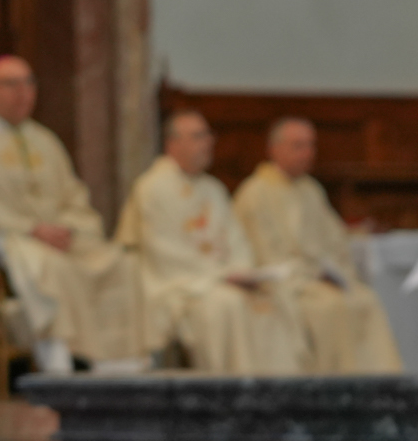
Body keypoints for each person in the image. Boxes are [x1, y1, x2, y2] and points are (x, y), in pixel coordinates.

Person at [0, 54, 146, 371]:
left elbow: (73, 195)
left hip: (54, 236)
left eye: (29, 83)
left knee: (119, 262)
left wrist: (67, 227)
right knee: (48, 266)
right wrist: (32, 228)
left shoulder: (44, 140)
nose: (23, 92)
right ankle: (58, 359)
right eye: (11, 84)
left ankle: (117, 358)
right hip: (6, 237)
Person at [117, 110, 307, 374]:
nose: (207, 142)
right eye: (197, 136)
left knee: (273, 298)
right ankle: (235, 388)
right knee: (227, 305)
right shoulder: (152, 188)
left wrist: (241, 272)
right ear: (172, 144)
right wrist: (220, 276)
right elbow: (163, 253)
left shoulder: (213, 189)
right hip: (180, 287)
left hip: (217, 280)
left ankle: (279, 389)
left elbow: (237, 241)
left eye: (207, 135)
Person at [234, 116, 405, 370]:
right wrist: (309, 274)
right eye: (298, 145)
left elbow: (335, 240)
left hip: (319, 278)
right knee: (331, 307)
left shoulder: (311, 189)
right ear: (274, 149)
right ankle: (335, 384)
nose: (307, 153)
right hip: (291, 283)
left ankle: (379, 384)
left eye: (311, 145)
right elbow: (263, 255)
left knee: (367, 300)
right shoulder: (254, 193)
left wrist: (334, 268)